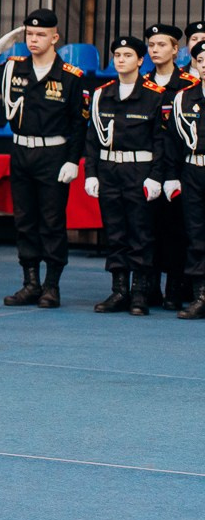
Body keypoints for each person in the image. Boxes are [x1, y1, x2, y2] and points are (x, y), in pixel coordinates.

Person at [0, 9, 88, 307]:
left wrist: (73, 160)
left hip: (54, 154)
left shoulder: (71, 77)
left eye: (41, 35)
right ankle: (30, 282)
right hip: (22, 151)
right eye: (30, 34)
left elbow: (79, 124)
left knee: (52, 221)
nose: (34, 40)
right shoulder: (13, 68)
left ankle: (52, 286)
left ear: (55, 38)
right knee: (24, 220)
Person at [84, 36, 163, 316]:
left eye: (128, 55)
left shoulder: (154, 94)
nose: (120, 59)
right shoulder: (101, 94)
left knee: (140, 232)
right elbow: (92, 139)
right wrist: (90, 174)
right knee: (115, 231)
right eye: (117, 54)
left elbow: (160, 141)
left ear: (141, 61)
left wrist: (156, 176)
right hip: (109, 170)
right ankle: (119, 290)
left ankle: (140, 292)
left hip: (139, 170)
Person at [141, 23, 199, 309]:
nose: (155, 50)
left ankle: (176, 286)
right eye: (151, 45)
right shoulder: (142, 84)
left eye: (162, 45)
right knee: (147, 227)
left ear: (177, 49)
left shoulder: (188, 85)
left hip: (177, 168)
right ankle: (149, 285)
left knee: (179, 228)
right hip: (147, 166)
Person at [160, 41, 205, 319]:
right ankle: (201, 294)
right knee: (196, 235)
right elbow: (173, 141)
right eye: (201, 59)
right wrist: (171, 177)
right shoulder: (184, 98)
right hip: (193, 171)